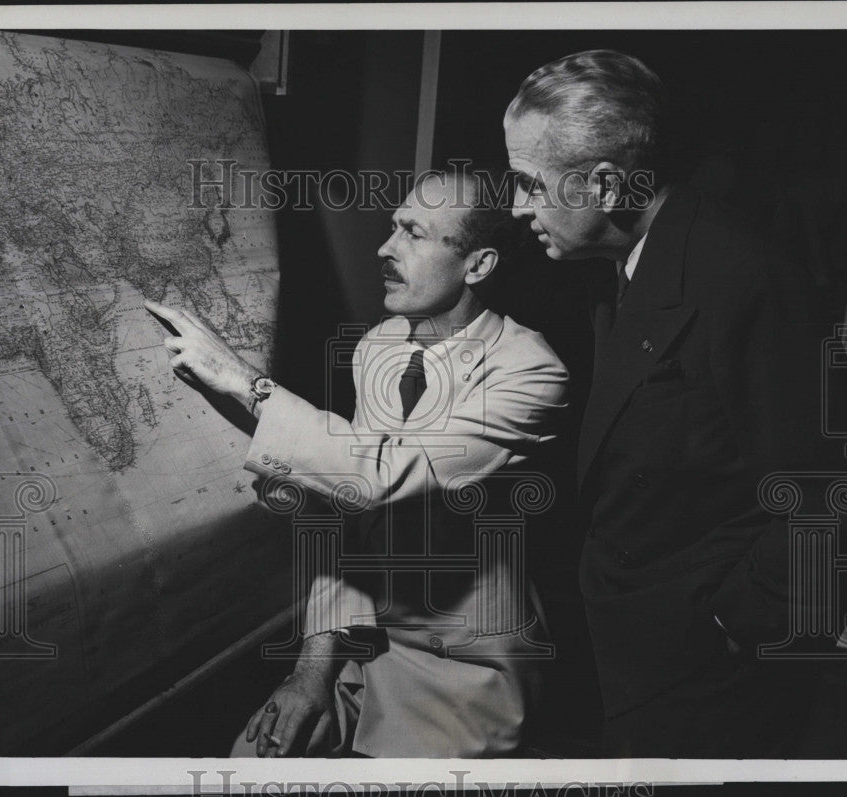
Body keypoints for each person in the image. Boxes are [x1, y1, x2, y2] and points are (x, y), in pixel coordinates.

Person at [145, 169, 568, 757]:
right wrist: (312, 672)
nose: (384, 248)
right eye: (393, 226)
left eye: (414, 234)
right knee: (251, 760)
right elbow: (343, 512)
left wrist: (247, 383)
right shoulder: (377, 346)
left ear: (477, 266)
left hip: (465, 668)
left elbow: (376, 476)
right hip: (360, 649)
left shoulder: (531, 371)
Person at [504, 49, 847, 757]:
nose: (516, 207)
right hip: (634, 647)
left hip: (706, 675)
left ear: (604, 184)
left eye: (528, 184)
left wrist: (735, 623)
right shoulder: (624, 263)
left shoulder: (747, 278)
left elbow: (834, 483)